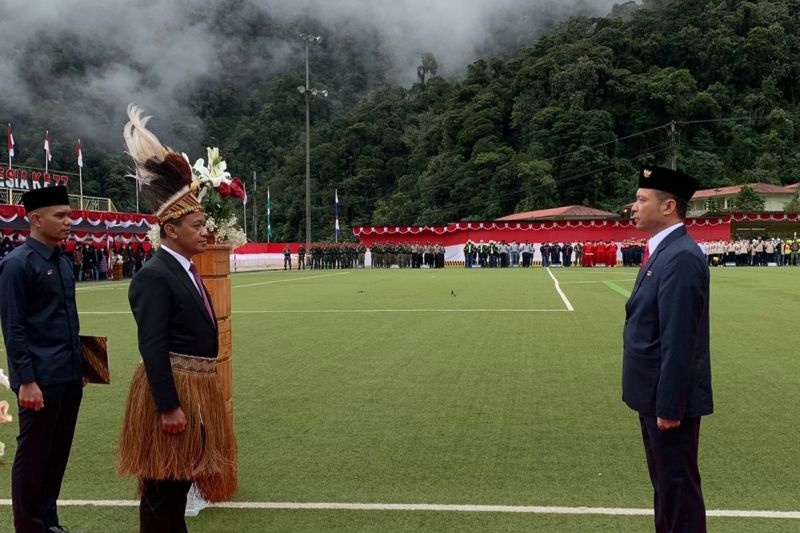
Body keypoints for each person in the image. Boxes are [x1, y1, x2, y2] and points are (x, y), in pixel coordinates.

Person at [117, 105, 237, 532]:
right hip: (172, 394)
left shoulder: (184, 270)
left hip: (196, 391)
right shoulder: (155, 276)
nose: (206, 232)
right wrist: (168, 406)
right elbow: (152, 344)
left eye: (205, 224)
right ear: (170, 230)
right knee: (161, 490)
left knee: (177, 483)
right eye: (198, 224)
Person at [623, 166, 713, 532]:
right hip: (654, 394)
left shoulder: (681, 257)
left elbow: (680, 339)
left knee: (677, 491)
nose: (633, 206)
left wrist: (669, 405)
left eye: (642, 199)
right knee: (666, 488)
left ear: (668, 206)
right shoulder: (664, 252)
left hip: (667, 400)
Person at [0, 186, 84, 533]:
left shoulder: (61, 262)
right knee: (34, 456)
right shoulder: (17, 265)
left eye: (69, 215)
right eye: (60, 216)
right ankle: (29, 526)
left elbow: (67, 320)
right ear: (35, 219)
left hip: (67, 375)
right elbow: (13, 327)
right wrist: (27, 380)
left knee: (56, 455)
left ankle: (48, 521)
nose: (69, 222)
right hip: (40, 380)